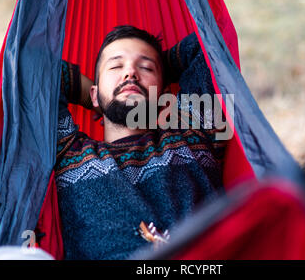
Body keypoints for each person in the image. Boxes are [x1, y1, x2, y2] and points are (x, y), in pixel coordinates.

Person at [55, 25, 229, 259]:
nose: (131, 73)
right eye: (116, 66)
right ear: (94, 94)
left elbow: (211, 42)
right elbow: (30, 67)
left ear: (166, 93)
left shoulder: (194, 134)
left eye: (145, 67)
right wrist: (95, 98)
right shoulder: (68, 155)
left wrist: (153, 75)